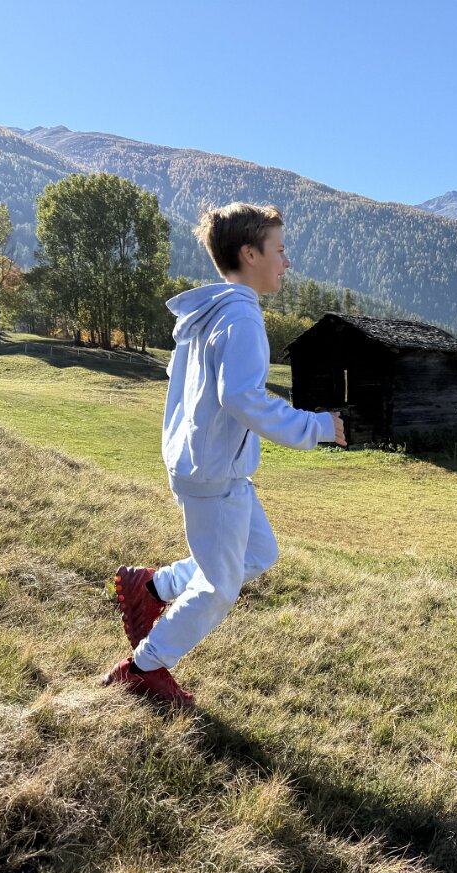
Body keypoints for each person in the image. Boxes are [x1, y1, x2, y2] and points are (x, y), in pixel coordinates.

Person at [101, 202, 345, 706]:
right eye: (280, 250)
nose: (286, 262)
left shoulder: (210, 313)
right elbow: (242, 398)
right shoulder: (241, 318)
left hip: (208, 466)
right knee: (218, 586)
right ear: (250, 254)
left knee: (259, 553)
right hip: (213, 473)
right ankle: (144, 667)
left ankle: (152, 587)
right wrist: (318, 426)